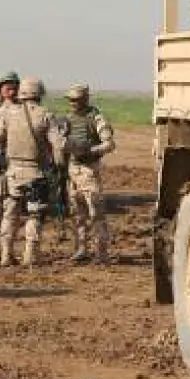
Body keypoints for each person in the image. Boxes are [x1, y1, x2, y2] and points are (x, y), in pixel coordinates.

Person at [0, 75, 55, 267]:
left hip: (12, 173)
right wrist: (58, 166)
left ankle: (6, 254)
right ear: (39, 94)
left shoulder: (9, 114)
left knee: (9, 214)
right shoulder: (45, 115)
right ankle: (30, 255)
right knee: (35, 214)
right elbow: (58, 144)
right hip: (36, 173)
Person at [61, 84, 115, 264]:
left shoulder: (96, 118)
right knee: (78, 213)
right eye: (70, 100)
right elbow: (62, 142)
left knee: (96, 212)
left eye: (76, 100)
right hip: (72, 170)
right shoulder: (68, 119)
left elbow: (109, 144)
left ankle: (101, 252)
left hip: (89, 170)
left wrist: (89, 150)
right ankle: (81, 248)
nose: (73, 103)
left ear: (85, 99)